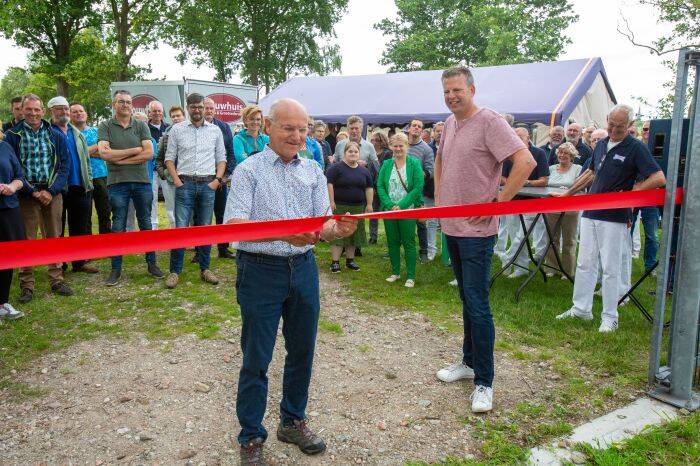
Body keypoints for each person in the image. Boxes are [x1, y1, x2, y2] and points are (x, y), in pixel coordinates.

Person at [223, 98, 357, 464]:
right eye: (288, 128)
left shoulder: (313, 169)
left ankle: (293, 421)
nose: (297, 136)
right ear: (268, 127)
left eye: (302, 129)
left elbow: (322, 224)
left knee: (302, 351)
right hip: (259, 270)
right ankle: (251, 436)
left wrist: (337, 229)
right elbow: (234, 226)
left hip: (303, 269)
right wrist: (284, 234)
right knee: (257, 357)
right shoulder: (248, 170)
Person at [434, 66, 534, 413]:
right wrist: (440, 200)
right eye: (447, 91)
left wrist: (499, 202)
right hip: (452, 226)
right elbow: (440, 160)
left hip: (477, 232)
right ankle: (468, 362)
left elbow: (525, 161)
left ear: (472, 90)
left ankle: (484, 382)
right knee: (466, 298)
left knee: (477, 303)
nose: (451, 96)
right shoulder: (450, 123)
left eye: (457, 90)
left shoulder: (490, 121)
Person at [555, 104, 665, 332]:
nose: (614, 130)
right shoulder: (602, 144)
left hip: (615, 216)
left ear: (630, 125)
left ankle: (610, 316)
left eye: (620, 127)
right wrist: (568, 194)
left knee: (610, 267)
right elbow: (590, 172)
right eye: (611, 125)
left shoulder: (636, 148)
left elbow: (658, 177)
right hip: (591, 212)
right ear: (607, 120)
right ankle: (580, 309)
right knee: (585, 263)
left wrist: (632, 193)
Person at [5, 93, 74, 303]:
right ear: (21, 110)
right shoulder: (12, 135)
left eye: (37, 109)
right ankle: (27, 284)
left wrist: (51, 191)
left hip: (52, 193)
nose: (33, 113)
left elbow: (64, 166)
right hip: (26, 195)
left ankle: (56, 279)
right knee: (27, 240)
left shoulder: (55, 134)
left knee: (54, 236)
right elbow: (13, 168)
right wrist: (31, 190)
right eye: (29, 109)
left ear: (43, 111)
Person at [97, 90, 164, 286]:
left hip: (142, 181)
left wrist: (120, 159)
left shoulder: (141, 125)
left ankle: (152, 264)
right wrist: (134, 150)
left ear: (132, 105)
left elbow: (149, 153)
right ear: (114, 105)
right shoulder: (105, 126)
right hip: (117, 183)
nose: (125, 105)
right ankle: (115, 269)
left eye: (128, 102)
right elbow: (104, 154)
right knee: (118, 225)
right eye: (121, 102)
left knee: (146, 224)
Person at [164, 93, 226, 289]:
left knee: (205, 228)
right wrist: (177, 181)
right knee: (181, 229)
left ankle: (205, 269)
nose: (197, 110)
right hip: (185, 184)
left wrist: (217, 180)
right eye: (193, 107)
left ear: (204, 107)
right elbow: (169, 158)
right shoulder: (177, 129)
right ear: (188, 108)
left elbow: (221, 158)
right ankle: (174, 271)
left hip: (208, 185)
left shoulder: (215, 130)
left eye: (200, 106)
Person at [48, 96, 96, 274]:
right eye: (59, 108)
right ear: (51, 111)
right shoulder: (47, 132)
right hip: (57, 187)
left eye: (66, 108)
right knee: (57, 228)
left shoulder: (76, 132)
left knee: (80, 226)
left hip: (79, 185)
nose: (64, 112)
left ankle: (79, 262)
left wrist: (88, 181)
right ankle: (59, 265)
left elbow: (86, 159)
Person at [376, 132, 424, 288]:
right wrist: (389, 204)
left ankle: (410, 276)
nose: (398, 149)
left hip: (407, 209)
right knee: (392, 242)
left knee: (409, 242)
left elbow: (418, 187)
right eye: (395, 146)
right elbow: (380, 186)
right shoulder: (386, 164)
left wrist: (402, 205)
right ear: (391, 147)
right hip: (389, 210)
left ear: (407, 146)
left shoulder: (414, 163)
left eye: (401, 146)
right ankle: (395, 272)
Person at [501, 127, 549, 278]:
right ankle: (521, 267)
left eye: (520, 137)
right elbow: (502, 177)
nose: (516, 140)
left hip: (532, 203)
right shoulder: (509, 154)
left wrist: (526, 182)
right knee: (514, 234)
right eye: (514, 137)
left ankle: (507, 258)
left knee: (521, 237)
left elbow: (544, 180)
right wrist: (513, 183)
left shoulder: (539, 153)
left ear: (528, 138)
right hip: (512, 200)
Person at [326, 141, 373, 272]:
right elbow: (329, 184)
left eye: (356, 151)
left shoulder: (364, 171)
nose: (353, 154)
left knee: (353, 234)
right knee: (338, 233)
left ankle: (350, 261)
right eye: (350, 151)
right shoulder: (336, 168)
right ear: (345, 153)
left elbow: (369, 188)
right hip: (339, 206)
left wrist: (369, 204)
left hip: (357, 207)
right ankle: (335, 262)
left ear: (359, 153)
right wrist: (331, 201)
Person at [203, 97, 237, 259]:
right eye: (206, 108)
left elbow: (230, 154)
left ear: (215, 110)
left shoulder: (224, 127)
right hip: (201, 179)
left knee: (222, 214)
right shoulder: (195, 128)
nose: (208, 111)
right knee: (201, 217)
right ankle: (200, 251)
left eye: (211, 108)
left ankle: (223, 249)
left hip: (220, 180)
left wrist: (224, 176)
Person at [71, 103, 111, 235]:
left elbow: (106, 152)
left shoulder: (97, 131)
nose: (78, 113)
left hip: (100, 175)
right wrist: (97, 146)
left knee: (105, 211)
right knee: (85, 214)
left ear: (86, 114)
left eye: (81, 111)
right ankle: (88, 243)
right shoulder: (70, 133)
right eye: (75, 112)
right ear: (70, 115)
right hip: (81, 177)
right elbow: (73, 154)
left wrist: (83, 152)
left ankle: (106, 241)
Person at [544, 142, 582, 278]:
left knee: (569, 240)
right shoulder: (551, 168)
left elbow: (581, 188)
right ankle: (551, 268)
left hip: (570, 208)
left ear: (572, 155)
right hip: (551, 207)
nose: (562, 155)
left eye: (566, 153)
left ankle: (567, 271)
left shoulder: (578, 169)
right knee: (551, 238)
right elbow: (545, 185)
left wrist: (569, 191)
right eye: (560, 152)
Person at [0, 140, 26, 320]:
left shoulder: (5, 146)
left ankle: (2, 303)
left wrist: (12, 186)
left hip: (8, 208)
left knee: (7, 256)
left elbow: (20, 177)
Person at [406, 119, 435, 263]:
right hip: (400, 190)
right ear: (409, 128)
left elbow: (431, 171)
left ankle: (423, 251)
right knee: (399, 220)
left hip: (418, 191)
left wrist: (415, 175)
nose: (416, 128)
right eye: (414, 125)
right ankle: (398, 247)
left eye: (419, 126)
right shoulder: (402, 144)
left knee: (421, 222)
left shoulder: (427, 149)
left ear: (422, 131)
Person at [154, 106, 186, 228]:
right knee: (172, 210)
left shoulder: (193, 133)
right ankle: (176, 235)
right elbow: (159, 158)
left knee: (189, 210)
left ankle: (191, 236)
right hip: (170, 179)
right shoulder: (166, 134)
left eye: (178, 115)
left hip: (188, 179)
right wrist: (164, 174)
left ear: (184, 116)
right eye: (173, 116)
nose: (176, 118)